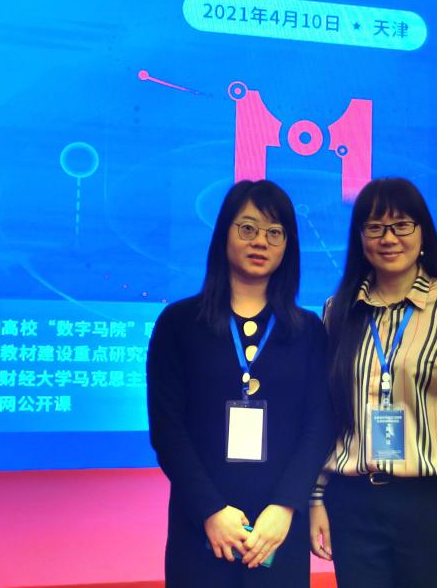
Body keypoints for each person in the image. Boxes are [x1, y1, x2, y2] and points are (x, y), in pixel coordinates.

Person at [308, 177, 437, 588]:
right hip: (353, 504)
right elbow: (326, 415)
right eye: (375, 227)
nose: (389, 238)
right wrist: (317, 496)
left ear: (422, 233)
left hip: (432, 506)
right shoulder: (337, 311)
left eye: (401, 225)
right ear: (360, 238)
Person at [147, 180, 333, 587]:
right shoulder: (179, 324)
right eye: (247, 228)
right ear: (223, 234)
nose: (260, 241)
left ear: (287, 246)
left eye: (274, 232)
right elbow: (167, 430)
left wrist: (285, 507)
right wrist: (211, 510)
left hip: (276, 530)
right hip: (202, 527)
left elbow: (318, 426)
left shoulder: (307, 331)